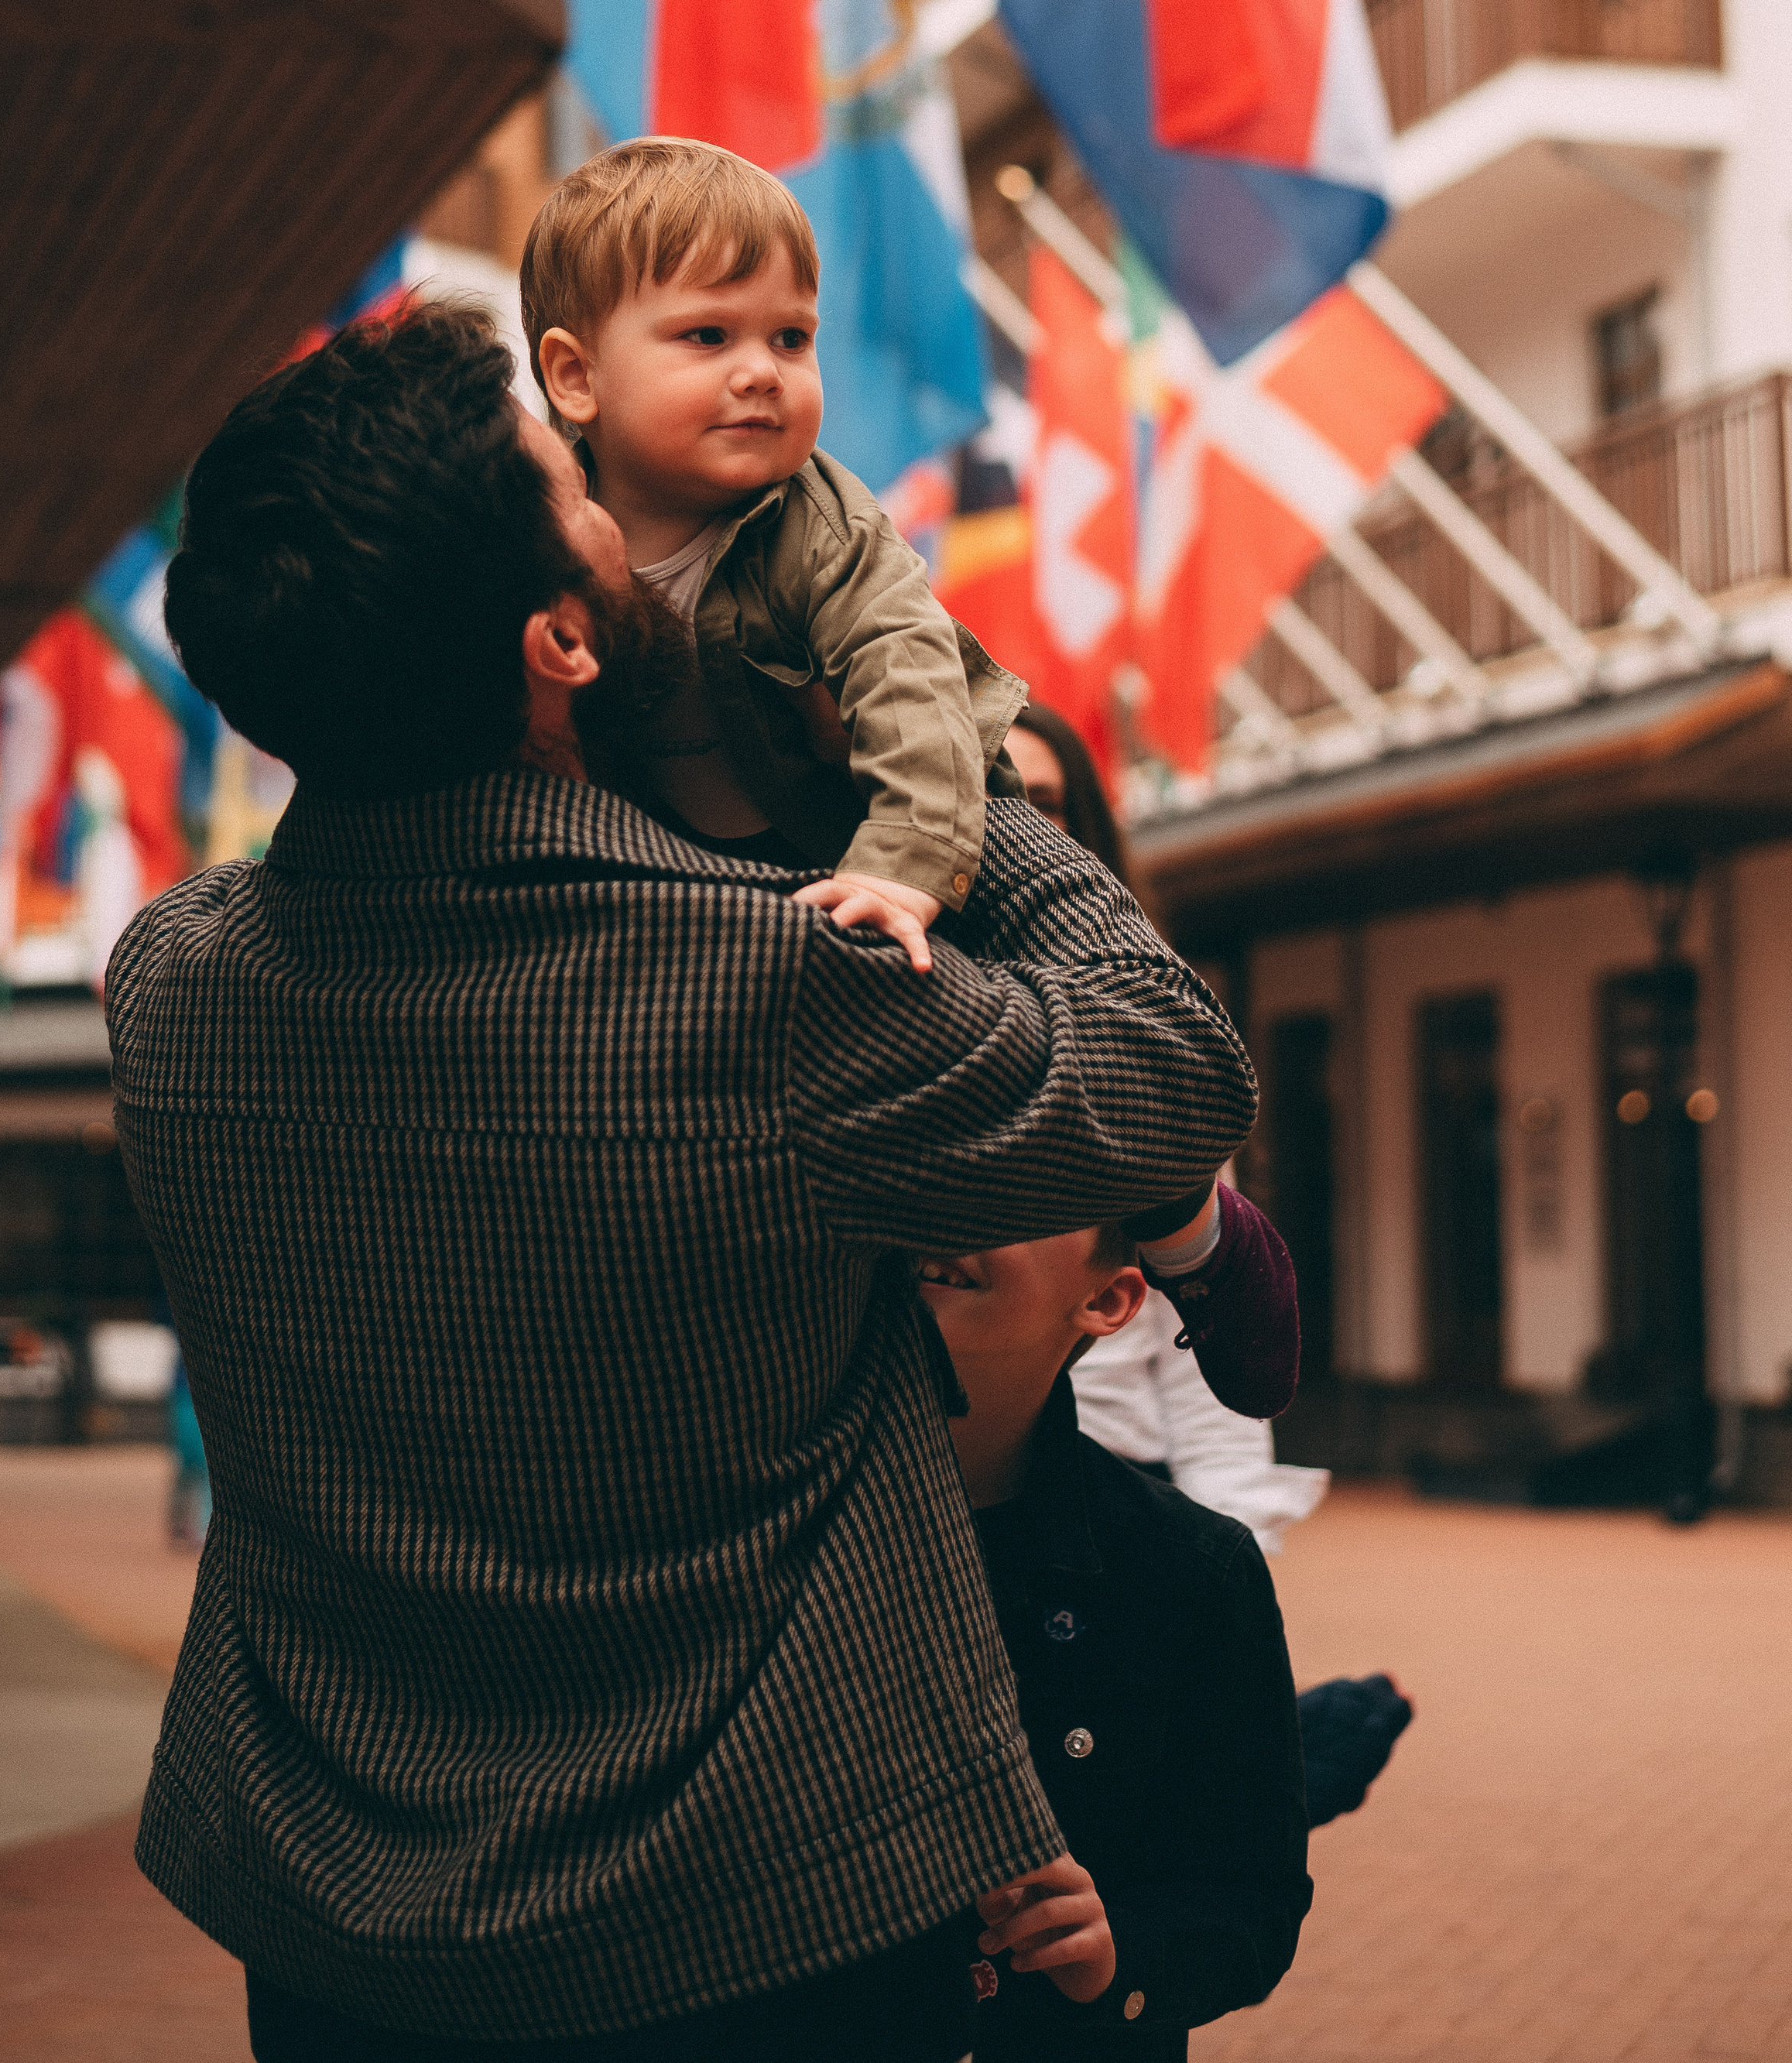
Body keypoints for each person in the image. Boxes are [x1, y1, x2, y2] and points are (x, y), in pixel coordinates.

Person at [112, 300, 1263, 2063]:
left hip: (334, 1923)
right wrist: (927, 748)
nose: (607, 490)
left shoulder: (172, 982)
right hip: (758, 1925)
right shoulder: (761, 991)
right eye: (564, 483)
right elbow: (1169, 1067)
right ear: (557, 640)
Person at [523, 143, 1298, 1424]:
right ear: (573, 374)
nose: (763, 370)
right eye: (709, 332)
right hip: (721, 879)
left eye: (793, 335)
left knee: (1034, 1020)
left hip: (903, 824)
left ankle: (1187, 1227)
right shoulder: (551, 536)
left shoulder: (813, 515)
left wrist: (906, 865)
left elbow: (911, 690)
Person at [1006, 704, 1413, 1828]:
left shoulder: (1149, 1031)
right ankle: (1275, 1774)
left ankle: (1260, 1774)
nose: (1011, 824)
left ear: (1082, 832)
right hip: (948, 1488)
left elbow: (1207, 1329)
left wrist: (1234, 1563)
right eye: (988, 789)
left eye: (1041, 804)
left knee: (1124, 1829)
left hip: (1126, 1489)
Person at [917, 1225, 1311, 2054]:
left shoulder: (1191, 1572)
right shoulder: (757, 1525)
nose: (957, 1207)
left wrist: (1115, 1956)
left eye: (1024, 1192)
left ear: (1111, 1301)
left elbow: (1245, 1902)